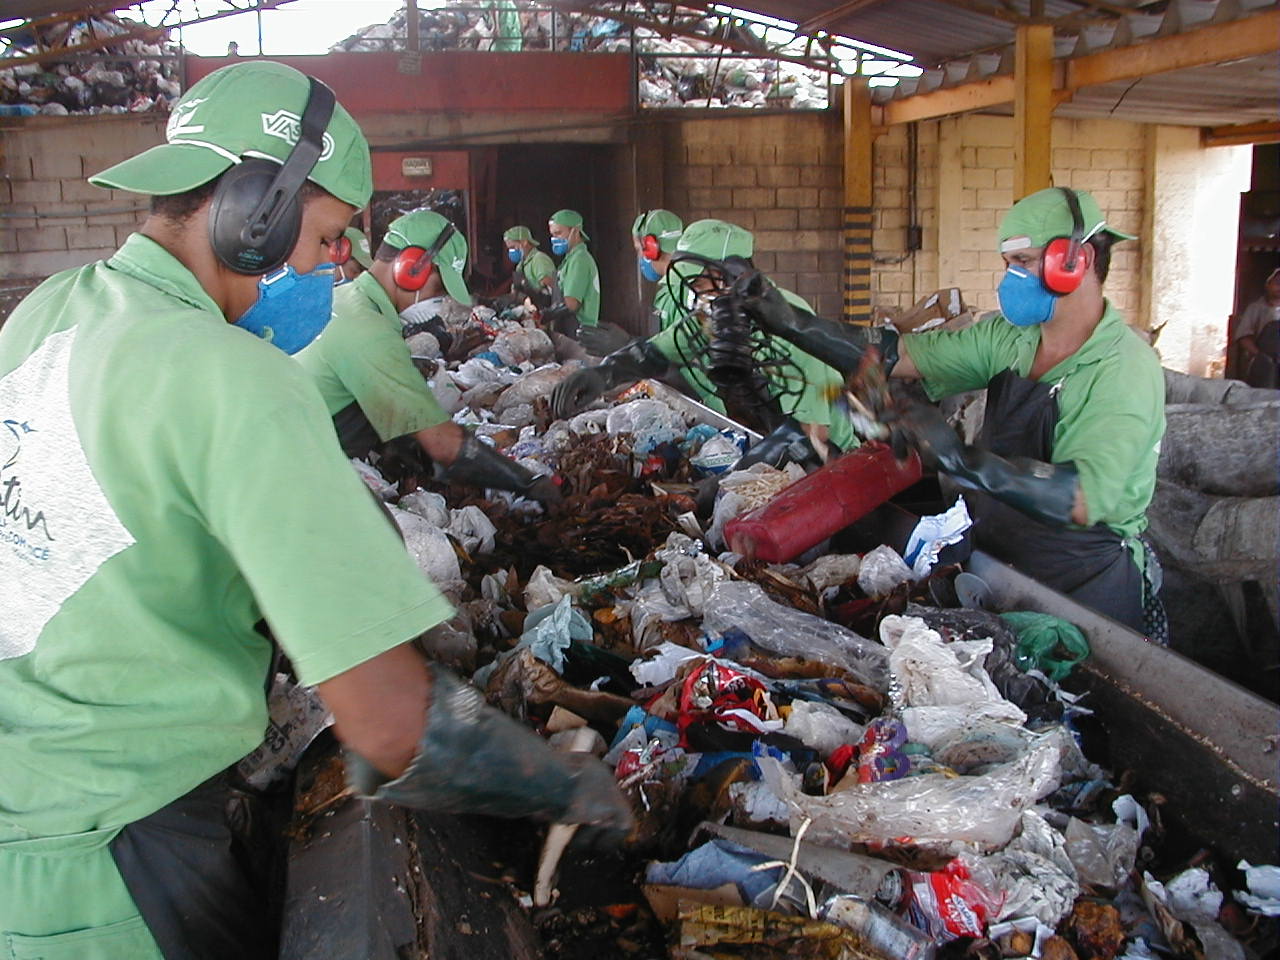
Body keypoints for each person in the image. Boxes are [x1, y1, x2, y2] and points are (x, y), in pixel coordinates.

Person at [0, 61, 628, 959]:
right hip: (127, 868)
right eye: (324, 236)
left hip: (22, 831)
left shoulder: (49, 312)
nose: (327, 266)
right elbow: (390, 725)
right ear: (259, 209)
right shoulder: (233, 375)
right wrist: (567, 789)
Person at [745, 187, 1166, 635]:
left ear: (1072, 262)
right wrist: (787, 319)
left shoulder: (1123, 370)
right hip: (1000, 559)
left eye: (1021, 263)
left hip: (1083, 587)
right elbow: (897, 353)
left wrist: (957, 457)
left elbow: (1082, 497)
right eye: (1008, 264)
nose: (1009, 278)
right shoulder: (1013, 338)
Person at [297, 209, 560, 502]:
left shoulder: (348, 299)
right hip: (300, 471)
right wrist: (528, 483)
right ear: (412, 269)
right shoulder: (368, 329)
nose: (439, 300)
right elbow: (442, 443)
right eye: (438, 287)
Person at [553, 218, 855, 463]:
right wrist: (603, 373)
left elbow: (811, 432)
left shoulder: (793, 324)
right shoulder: (716, 316)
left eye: (700, 283)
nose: (697, 295)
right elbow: (656, 351)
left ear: (735, 274)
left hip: (829, 460)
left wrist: (739, 472)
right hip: (773, 439)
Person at [548, 207, 600, 329]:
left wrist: (549, 314)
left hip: (579, 333)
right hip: (569, 330)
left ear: (575, 231)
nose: (554, 239)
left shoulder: (579, 260)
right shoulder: (570, 259)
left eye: (558, 233)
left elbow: (571, 304)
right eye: (553, 235)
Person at [1232, 267, 1280, 389]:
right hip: (1265, 365)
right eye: (1277, 283)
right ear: (1268, 285)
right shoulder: (1255, 308)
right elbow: (1243, 336)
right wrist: (1261, 357)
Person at [503, 223, 556, 302]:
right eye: (509, 249)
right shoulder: (521, 265)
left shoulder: (539, 259)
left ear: (524, 242)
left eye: (513, 247)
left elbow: (551, 289)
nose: (511, 251)